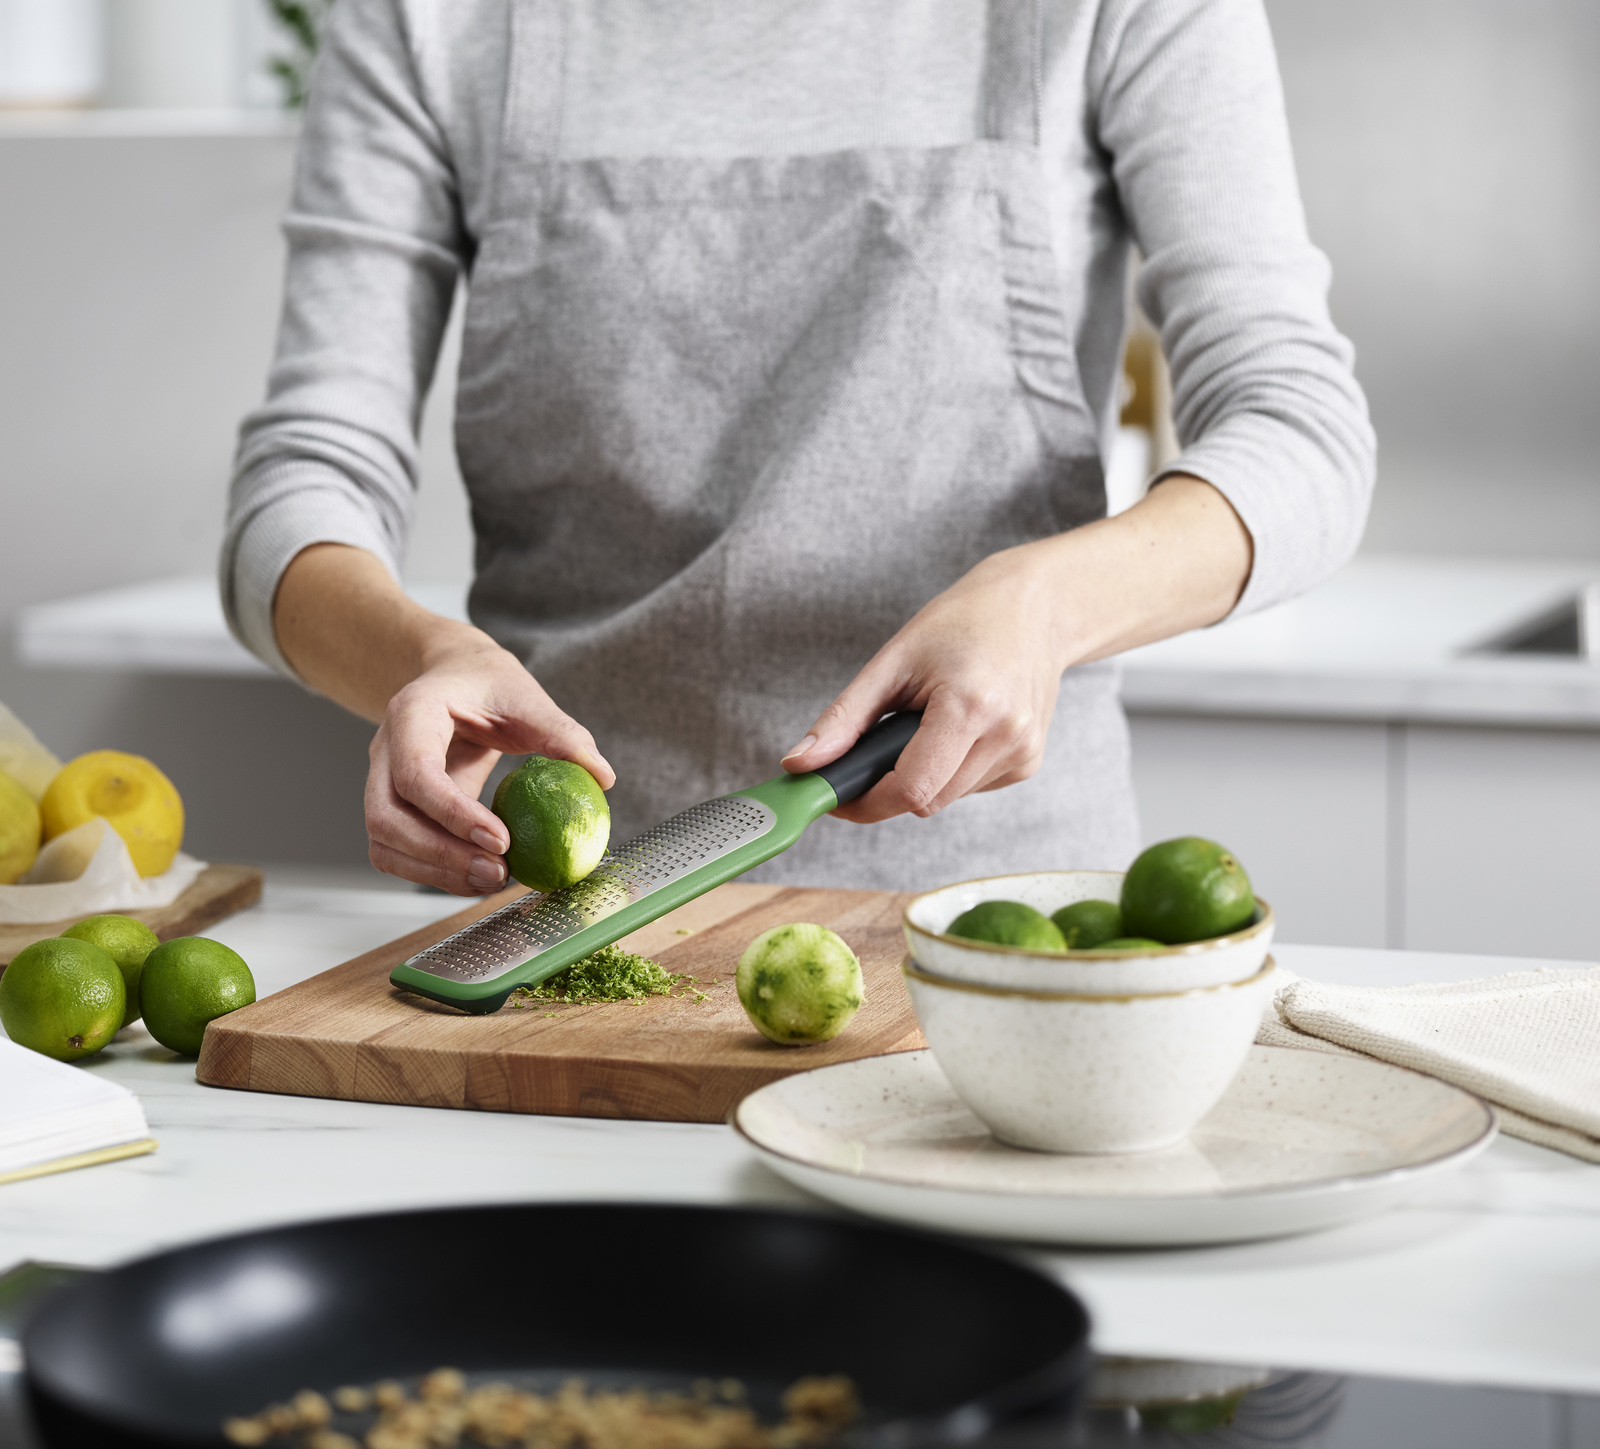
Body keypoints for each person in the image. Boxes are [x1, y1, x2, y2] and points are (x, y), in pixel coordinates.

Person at [222, 0, 1374, 898]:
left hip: (994, 919)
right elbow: (305, 477)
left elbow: (1300, 426)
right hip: (562, 925)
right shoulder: (431, 22)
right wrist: (414, 660)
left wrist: (1045, 602)